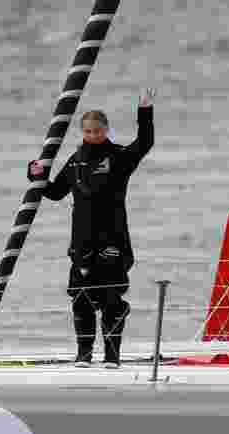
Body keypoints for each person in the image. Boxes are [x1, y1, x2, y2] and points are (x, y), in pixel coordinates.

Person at [27, 88, 155, 368]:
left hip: (113, 242)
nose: (93, 135)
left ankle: (112, 357)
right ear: (82, 132)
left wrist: (145, 111)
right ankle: (83, 355)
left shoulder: (119, 157)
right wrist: (35, 175)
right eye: (88, 131)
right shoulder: (76, 160)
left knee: (111, 301)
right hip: (82, 243)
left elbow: (144, 143)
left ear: (106, 130)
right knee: (81, 300)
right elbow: (56, 192)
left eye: (97, 131)